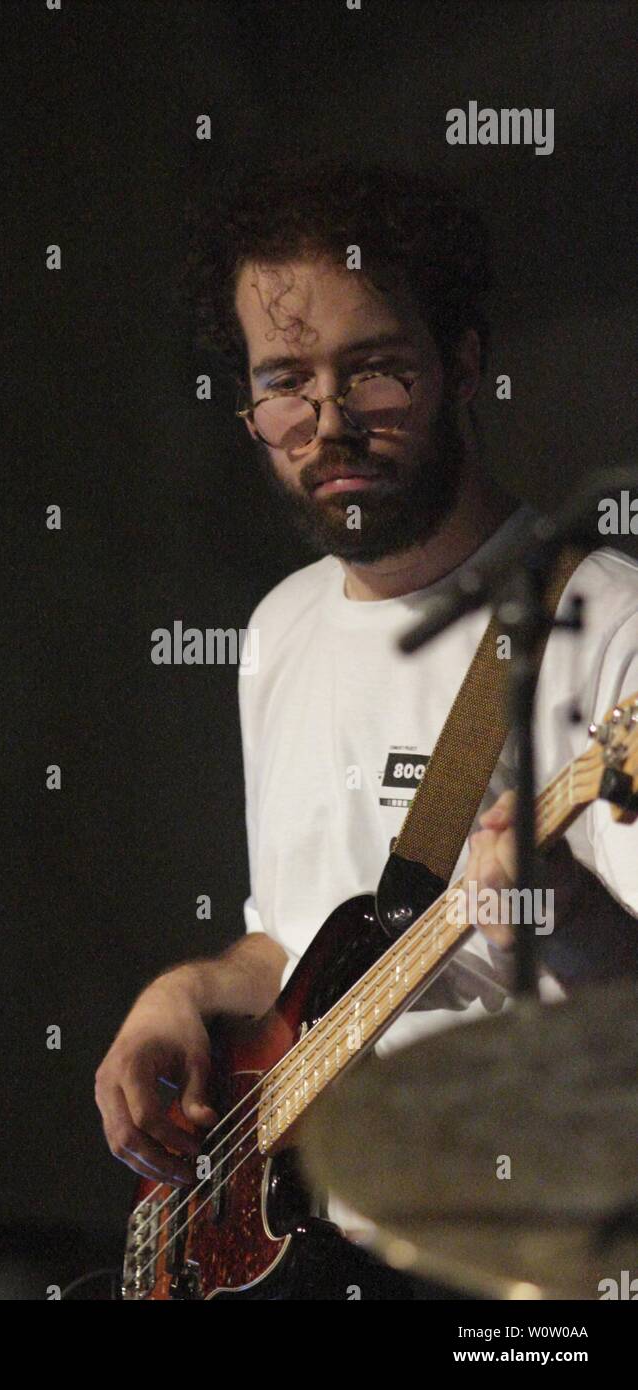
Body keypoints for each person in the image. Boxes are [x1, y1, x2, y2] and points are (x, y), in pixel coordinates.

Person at [95, 159, 638, 1294]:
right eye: (284, 381)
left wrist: (560, 917)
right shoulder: (278, 625)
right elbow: (284, 939)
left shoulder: (602, 627)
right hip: (297, 1249)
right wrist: (183, 996)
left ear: (463, 363)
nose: (327, 423)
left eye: (374, 370)